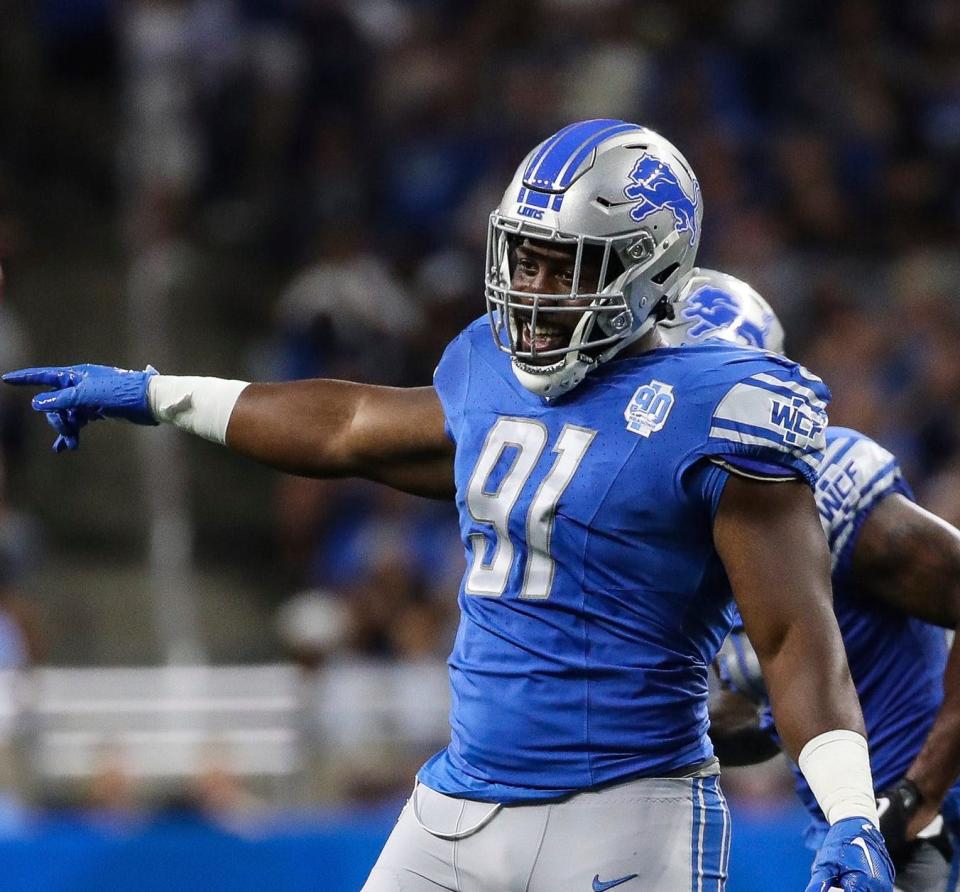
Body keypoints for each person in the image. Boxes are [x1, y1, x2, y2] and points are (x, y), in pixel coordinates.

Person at [4, 119, 894, 891]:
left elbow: (791, 635)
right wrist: (158, 394)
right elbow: (350, 423)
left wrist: (852, 810)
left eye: (566, 268)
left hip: (626, 809)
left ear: (650, 271)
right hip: (460, 801)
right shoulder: (488, 367)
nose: (534, 294)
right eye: (526, 259)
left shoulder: (721, 403)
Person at [664, 268, 960, 891]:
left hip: (923, 827)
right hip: (856, 831)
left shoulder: (823, 482)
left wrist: (921, 791)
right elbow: (782, 712)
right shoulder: (691, 521)